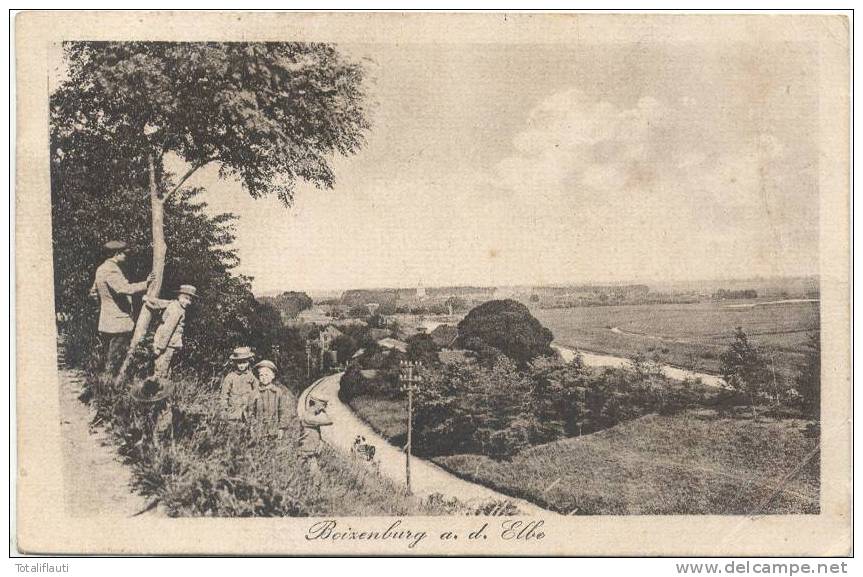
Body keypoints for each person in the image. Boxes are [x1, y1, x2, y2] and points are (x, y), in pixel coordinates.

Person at [89, 240, 153, 373]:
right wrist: (146, 284)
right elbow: (124, 288)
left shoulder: (101, 269)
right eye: (124, 254)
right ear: (117, 253)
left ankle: (103, 385)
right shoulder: (111, 269)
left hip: (107, 321)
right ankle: (109, 388)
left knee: (108, 356)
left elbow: (93, 292)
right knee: (114, 360)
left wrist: (105, 305)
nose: (126, 257)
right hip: (118, 323)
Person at [144, 285, 198, 384]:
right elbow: (168, 328)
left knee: (162, 370)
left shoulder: (175, 306)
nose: (188, 302)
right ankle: (158, 393)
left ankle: (158, 393)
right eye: (186, 298)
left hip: (168, 345)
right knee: (162, 371)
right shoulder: (176, 308)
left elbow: (161, 304)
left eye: (190, 300)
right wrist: (160, 348)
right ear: (179, 296)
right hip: (167, 345)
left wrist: (148, 299)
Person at [249, 360, 296, 439]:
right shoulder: (254, 393)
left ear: (273, 376)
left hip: (274, 430)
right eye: (261, 375)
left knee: (273, 449)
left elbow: (283, 411)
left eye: (267, 375)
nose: (264, 378)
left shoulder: (278, 392)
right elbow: (250, 411)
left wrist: (281, 428)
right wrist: (252, 427)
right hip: (259, 430)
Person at [219, 346, 259, 422]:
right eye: (239, 363)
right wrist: (224, 409)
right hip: (234, 410)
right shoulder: (230, 377)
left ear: (248, 362)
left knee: (249, 429)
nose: (241, 365)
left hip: (248, 411)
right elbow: (224, 394)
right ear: (235, 363)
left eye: (244, 362)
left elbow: (257, 390)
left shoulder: (251, 376)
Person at [299, 394, 333, 476]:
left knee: (305, 474)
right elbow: (329, 420)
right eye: (322, 405)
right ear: (315, 404)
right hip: (306, 452)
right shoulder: (309, 418)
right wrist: (324, 411)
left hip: (308, 451)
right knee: (316, 478)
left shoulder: (309, 416)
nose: (323, 408)